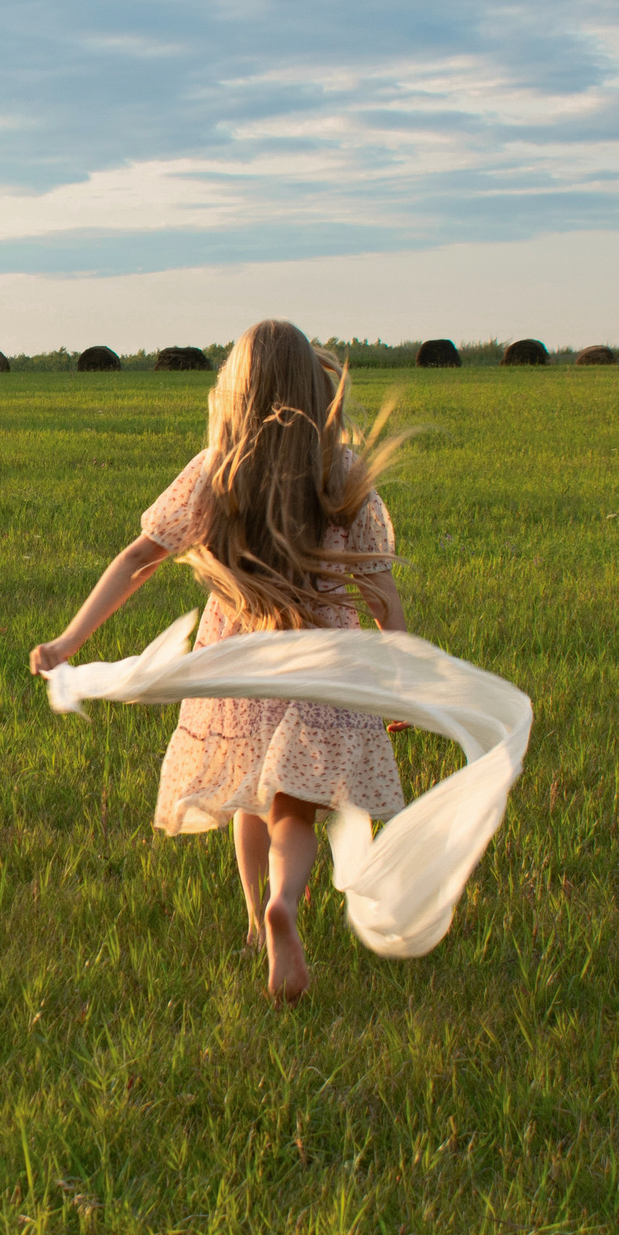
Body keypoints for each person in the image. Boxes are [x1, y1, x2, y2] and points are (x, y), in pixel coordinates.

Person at [29, 320, 412, 1002]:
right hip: (323, 663)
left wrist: (69, 641)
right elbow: (380, 589)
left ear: (235, 387)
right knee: (297, 802)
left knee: (246, 795)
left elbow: (138, 560)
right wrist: (400, 676)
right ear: (312, 382)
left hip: (237, 662)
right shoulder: (341, 469)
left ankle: (253, 921)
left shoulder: (217, 467)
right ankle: (286, 901)